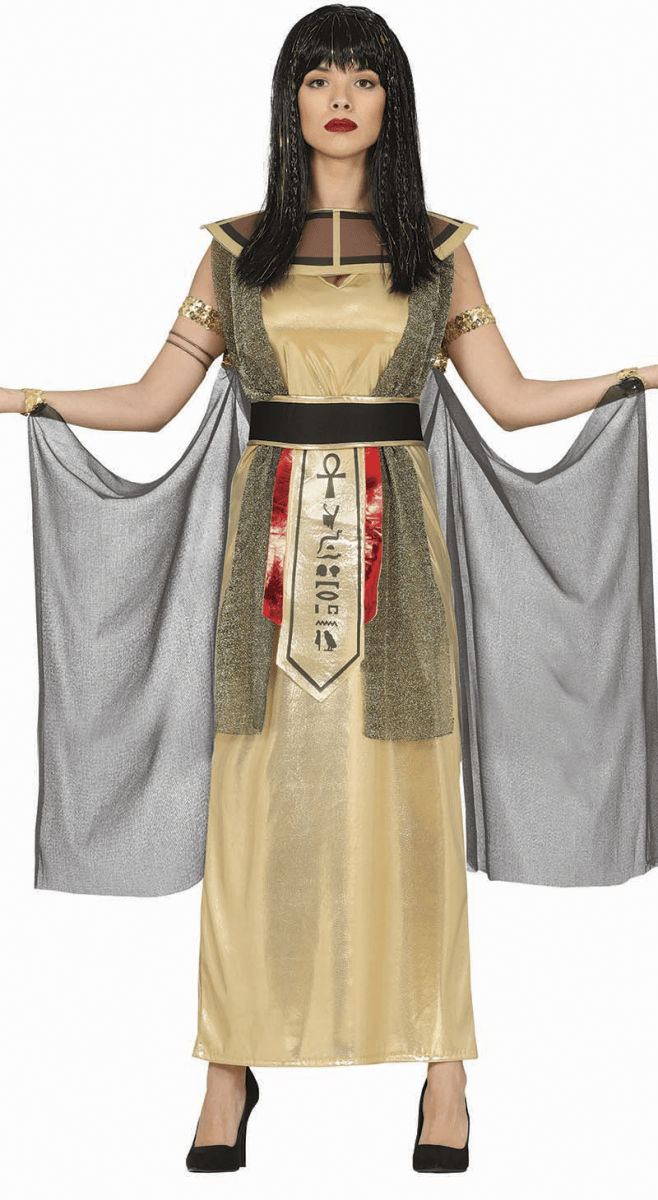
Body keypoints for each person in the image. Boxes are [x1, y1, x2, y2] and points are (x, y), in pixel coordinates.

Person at [2, 2, 657, 1177]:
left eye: (363, 75)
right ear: (289, 99)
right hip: (265, 550)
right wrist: (22, 397)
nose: (340, 95)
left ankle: (444, 1068)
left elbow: (509, 401)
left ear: (392, 101)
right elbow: (152, 402)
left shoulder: (438, 251)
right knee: (255, 800)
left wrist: (634, 376)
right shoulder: (236, 250)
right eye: (317, 76)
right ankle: (228, 1064)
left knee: (411, 795)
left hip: (398, 558)